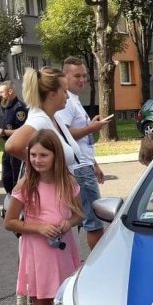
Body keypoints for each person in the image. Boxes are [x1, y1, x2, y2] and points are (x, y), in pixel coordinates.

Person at [3, 130, 82, 305]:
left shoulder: (68, 183)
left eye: (43, 155)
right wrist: (38, 227)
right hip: (38, 254)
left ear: (55, 155)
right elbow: (9, 222)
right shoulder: (25, 186)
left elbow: (79, 214)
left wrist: (67, 222)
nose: (37, 160)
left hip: (62, 252)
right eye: (33, 155)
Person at [56, 57, 110, 250]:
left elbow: (79, 141)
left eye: (85, 76)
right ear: (65, 76)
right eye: (77, 76)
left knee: (82, 219)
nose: (82, 80)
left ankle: (74, 260)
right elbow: (64, 133)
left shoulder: (74, 100)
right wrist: (91, 128)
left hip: (84, 165)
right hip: (79, 169)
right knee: (94, 221)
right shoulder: (67, 101)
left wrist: (94, 164)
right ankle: (99, 263)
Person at [0, 81, 28, 194]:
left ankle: (17, 201)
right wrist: (1, 133)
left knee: (16, 180)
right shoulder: (8, 107)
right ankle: (10, 198)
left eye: (1, 92)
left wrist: (3, 132)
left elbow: (23, 131)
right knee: (6, 179)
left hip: (17, 150)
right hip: (8, 149)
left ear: (10, 91)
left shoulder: (19, 108)